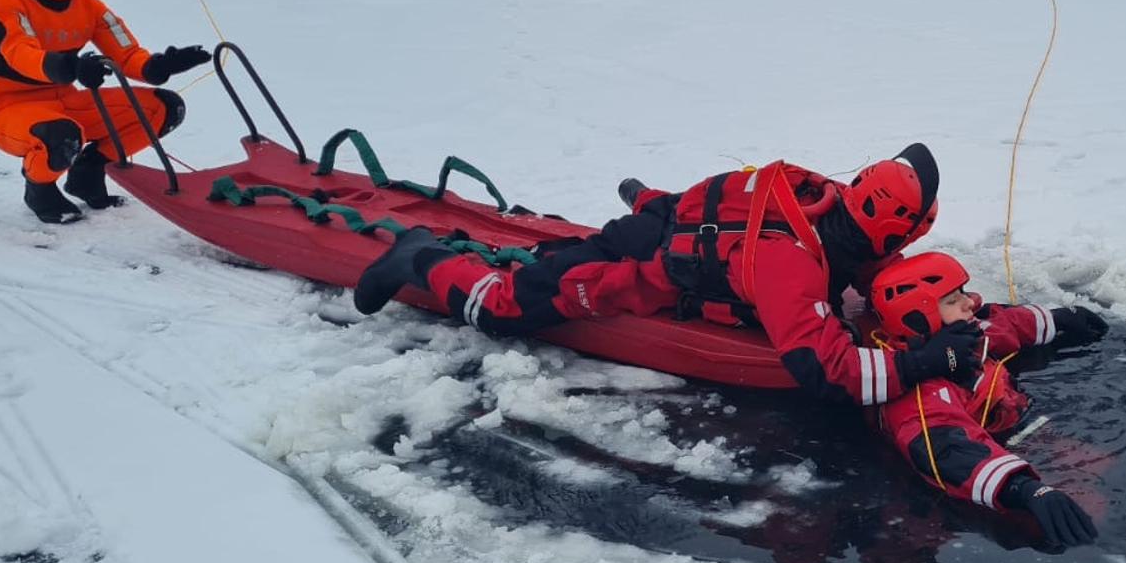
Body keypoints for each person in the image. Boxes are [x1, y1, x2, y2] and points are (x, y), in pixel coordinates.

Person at [352, 144, 985, 406]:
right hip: (647, 254)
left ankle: (644, 197)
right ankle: (419, 255)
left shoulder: (835, 203)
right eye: (908, 233)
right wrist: (923, 364)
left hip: (680, 215)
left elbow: (877, 274)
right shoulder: (790, 260)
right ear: (886, 220)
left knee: (663, 214)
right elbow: (822, 370)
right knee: (502, 310)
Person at [866, 251, 1108, 548]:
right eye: (953, 301)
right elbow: (947, 450)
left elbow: (1002, 324)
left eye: (962, 293)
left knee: (1103, 463)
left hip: (1024, 431)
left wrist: (1058, 320)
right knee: (1087, 514)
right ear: (920, 318)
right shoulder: (918, 395)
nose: (969, 303)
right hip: (993, 462)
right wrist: (1024, 489)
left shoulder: (963, 338)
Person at [0, 0, 212, 223]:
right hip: (10, 109)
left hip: (66, 103)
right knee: (62, 135)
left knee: (164, 108)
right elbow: (19, 52)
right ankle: (40, 189)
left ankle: (88, 173)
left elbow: (126, 53)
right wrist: (72, 67)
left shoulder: (87, 5)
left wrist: (159, 66)